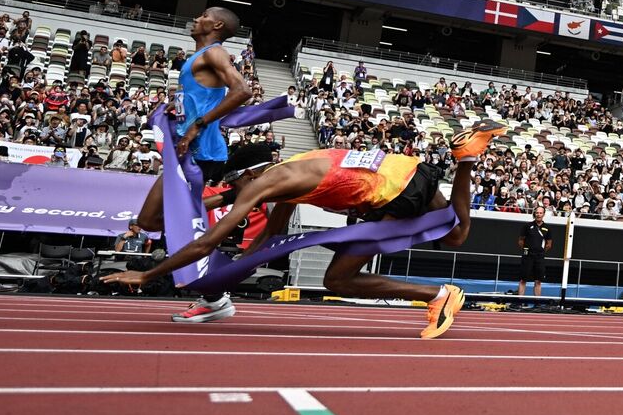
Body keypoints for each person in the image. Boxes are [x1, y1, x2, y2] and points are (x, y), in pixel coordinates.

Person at [101, 120, 508, 339]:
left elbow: (210, 239)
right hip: (403, 168)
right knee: (455, 235)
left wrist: (148, 273)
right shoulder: (284, 176)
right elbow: (262, 239)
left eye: (233, 183)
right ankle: (466, 159)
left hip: (390, 193)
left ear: (248, 175)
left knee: (338, 279)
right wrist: (222, 280)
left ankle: (437, 294)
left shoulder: (267, 184)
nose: (231, 192)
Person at [169, 7, 251, 182]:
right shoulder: (201, 55)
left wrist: (197, 125)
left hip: (201, 148)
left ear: (218, 24)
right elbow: (200, 95)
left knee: (167, 203)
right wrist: (175, 103)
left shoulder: (214, 53)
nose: (196, 18)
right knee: (179, 205)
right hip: (190, 143)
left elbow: (243, 91)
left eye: (204, 16)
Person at [517, 206, 553, 297]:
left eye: (540, 213)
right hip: (527, 256)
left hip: (539, 257)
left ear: (543, 214)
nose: (538, 214)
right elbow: (521, 241)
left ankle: (537, 304)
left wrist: (540, 251)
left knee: (538, 280)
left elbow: (549, 244)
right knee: (523, 279)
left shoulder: (547, 228)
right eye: (537, 213)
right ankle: (519, 302)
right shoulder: (527, 226)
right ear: (534, 214)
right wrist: (527, 250)